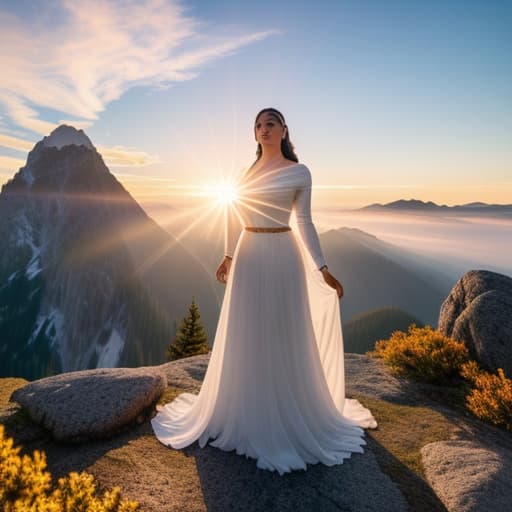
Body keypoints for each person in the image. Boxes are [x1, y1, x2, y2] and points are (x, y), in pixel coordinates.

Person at [151, 107, 378, 475]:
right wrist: (227, 254)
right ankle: (245, 408)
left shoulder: (299, 172)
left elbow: (304, 221)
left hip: (284, 255)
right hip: (248, 254)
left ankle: (285, 412)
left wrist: (323, 268)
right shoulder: (246, 172)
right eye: (258, 125)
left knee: (283, 330)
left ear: (284, 130)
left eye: (270, 123)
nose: (263, 129)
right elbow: (231, 211)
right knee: (247, 331)